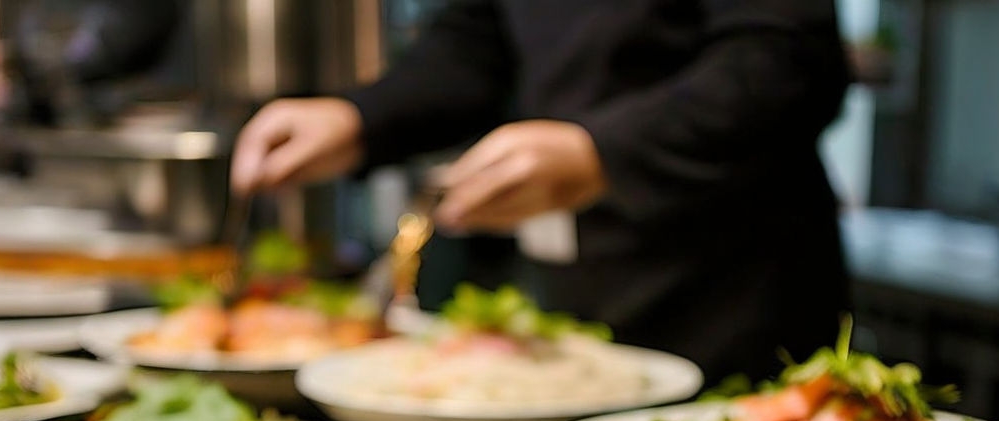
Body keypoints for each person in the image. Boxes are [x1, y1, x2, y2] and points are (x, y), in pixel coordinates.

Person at [229, 0, 852, 384]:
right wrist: (361, 117)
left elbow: (786, 58)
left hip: (733, 294)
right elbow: (477, 40)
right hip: (587, 301)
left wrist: (604, 150)